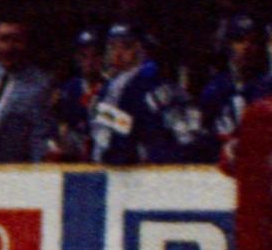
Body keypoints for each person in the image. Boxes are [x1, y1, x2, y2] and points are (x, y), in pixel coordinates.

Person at [85, 21, 198, 165]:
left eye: (126, 46)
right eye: (112, 46)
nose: (118, 53)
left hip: (144, 169)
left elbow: (180, 136)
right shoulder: (107, 88)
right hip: (106, 167)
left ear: (141, 49)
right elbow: (110, 129)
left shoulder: (153, 85)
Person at [0, 16, 56, 163]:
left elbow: (40, 140)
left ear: (26, 43)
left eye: (16, 40)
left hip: (11, 171)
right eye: (3, 39)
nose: (8, 47)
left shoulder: (40, 86)